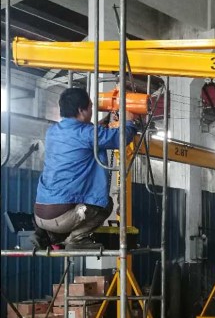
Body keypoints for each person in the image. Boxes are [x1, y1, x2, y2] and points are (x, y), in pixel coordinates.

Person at [32, 87, 139, 250]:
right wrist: (130, 121)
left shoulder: (52, 131)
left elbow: (85, 136)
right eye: (90, 107)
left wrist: (105, 122)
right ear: (81, 110)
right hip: (62, 217)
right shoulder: (88, 134)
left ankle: (45, 236)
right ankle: (77, 240)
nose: (91, 110)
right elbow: (120, 137)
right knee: (104, 205)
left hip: (40, 215)